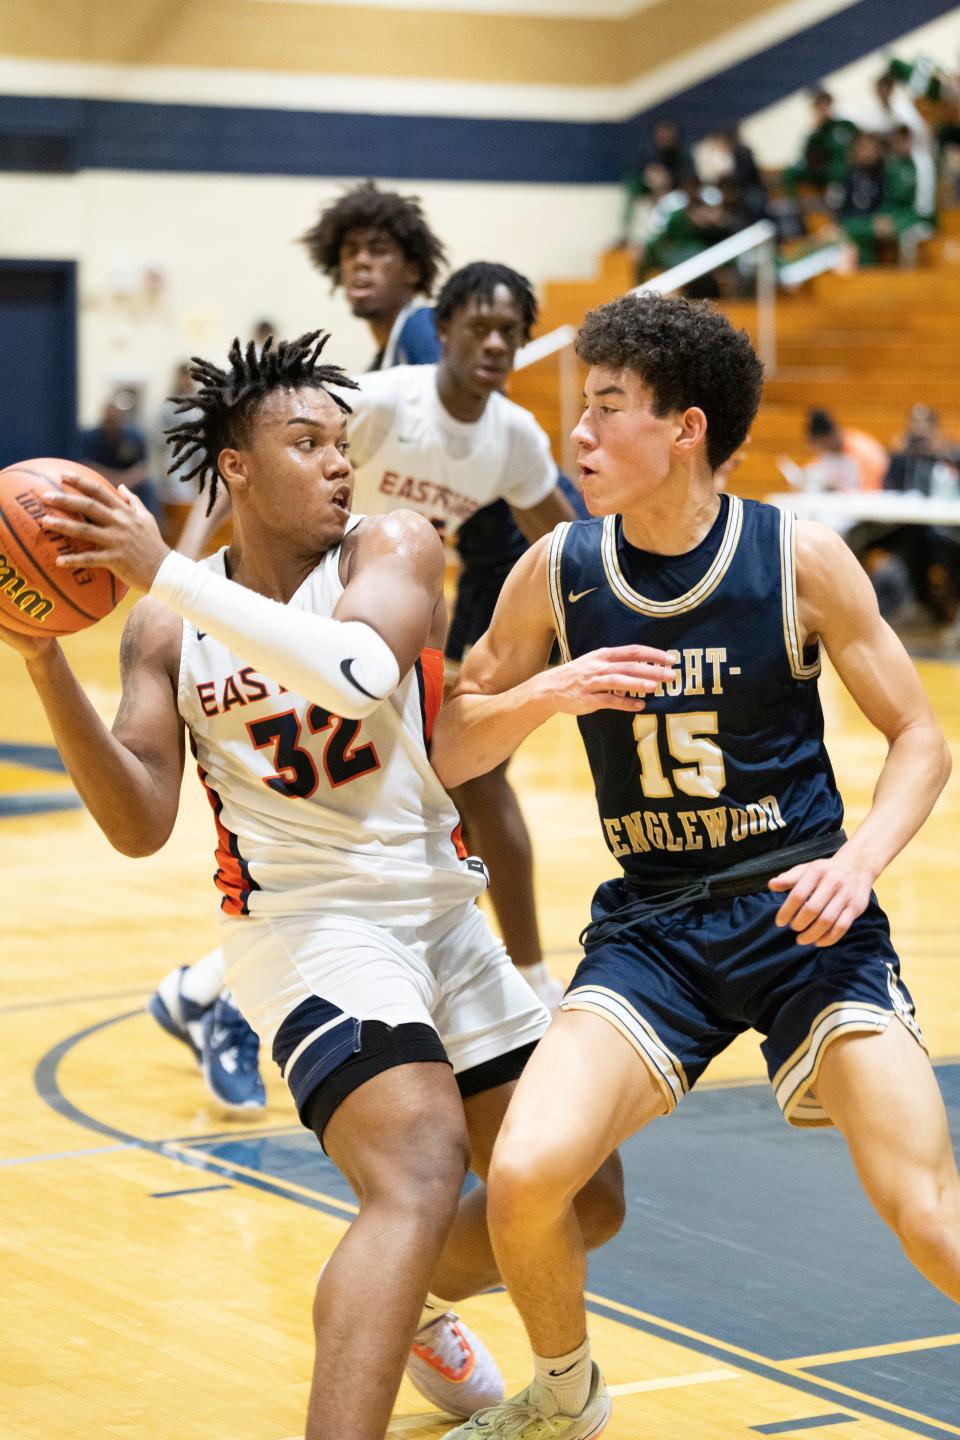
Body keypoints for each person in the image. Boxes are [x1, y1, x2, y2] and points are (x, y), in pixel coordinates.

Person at [0, 331, 627, 1440]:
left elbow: (358, 675)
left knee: (584, 1198)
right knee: (420, 1164)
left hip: (437, 908)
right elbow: (142, 822)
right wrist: (44, 660)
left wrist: (165, 568)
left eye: (342, 441)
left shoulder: (392, 543)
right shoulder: (164, 626)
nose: (341, 462)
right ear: (235, 467)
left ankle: (405, 1293)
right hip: (305, 927)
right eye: (307, 443)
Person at [429, 293, 959, 1438]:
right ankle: (566, 1396)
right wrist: (543, 694)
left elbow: (923, 738)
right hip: (653, 937)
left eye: (608, 409)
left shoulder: (796, 558)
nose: (577, 436)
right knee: (526, 1177)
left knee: (927, 1214)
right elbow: (453, 742)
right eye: (580, 409)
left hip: (805, 926)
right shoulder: (555, 571)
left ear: (686, 428)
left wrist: (860, 861)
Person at [80, 397, 162, 525]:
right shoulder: (88, 437)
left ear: (121, 418)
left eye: (115, 418)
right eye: (109, 419)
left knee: (148, 486)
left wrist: (122, 482)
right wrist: (113, 480)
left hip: (128, 483)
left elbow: (142, 468)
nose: (111, 422)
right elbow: (86, 466)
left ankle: (151, 524)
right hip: (99, 480)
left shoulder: (135, 436)